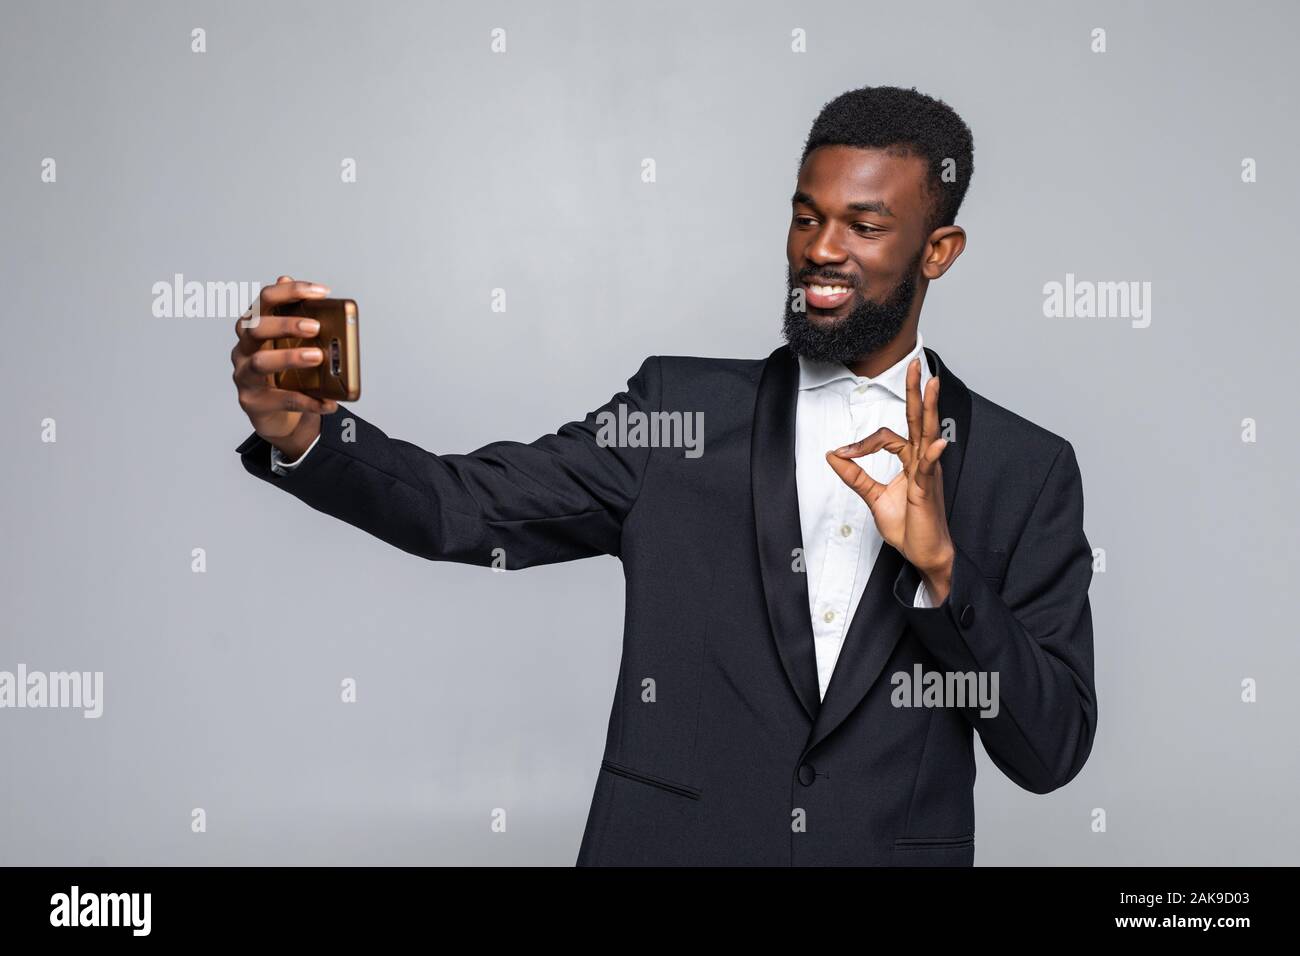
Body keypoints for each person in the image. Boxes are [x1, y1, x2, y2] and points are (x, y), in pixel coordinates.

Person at [229, 85, 1097, 866]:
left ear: (938, 250)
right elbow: (467, 506)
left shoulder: (1026, 472)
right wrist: (309, 433)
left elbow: (1050, 750)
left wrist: (945, 574)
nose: (820, 251)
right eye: (805, 217)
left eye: (863, 227)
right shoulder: (676, 412)